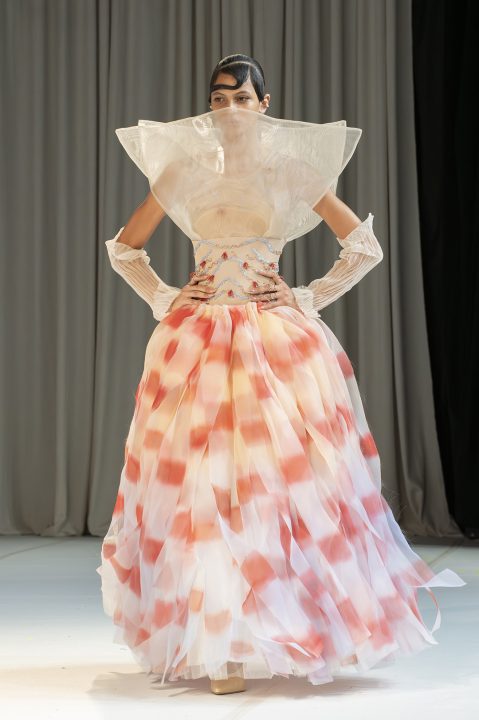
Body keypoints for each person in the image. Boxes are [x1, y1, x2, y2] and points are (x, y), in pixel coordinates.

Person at [96, 54, 466, 695]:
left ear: (264, 105)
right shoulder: (183, 171)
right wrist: (164, 296)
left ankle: (284, 626)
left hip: (273, 342)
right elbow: (126, 247)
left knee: (278, 485)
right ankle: (222, 647)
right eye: (219, 98)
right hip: (200, 338)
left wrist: (308, 295)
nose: (230, 109)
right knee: (207, 484)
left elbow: (363, 246)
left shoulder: (289, 170)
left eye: (242, 98)